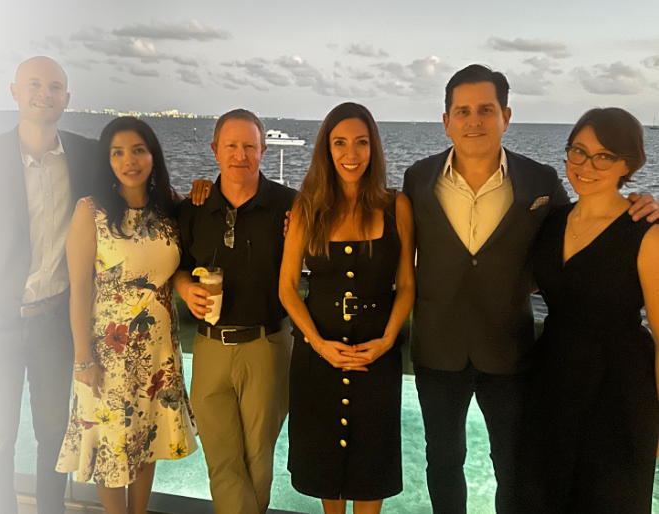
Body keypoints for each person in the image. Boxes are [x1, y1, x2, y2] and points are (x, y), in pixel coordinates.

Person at [400, 64, 659, 514]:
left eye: (486, 109)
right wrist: (305, 215)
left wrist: (641, 200)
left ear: (507, 115)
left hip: (513, 352)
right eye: (462, 111)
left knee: (516, 469)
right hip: (440, 348)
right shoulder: (418, 179)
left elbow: (592, 238)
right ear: (446, 121)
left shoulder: (542, 183)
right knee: (443, 461)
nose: (474, 120)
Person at [0, 56, 103, 514]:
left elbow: (136, 181)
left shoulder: (86, 156)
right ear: (14, 91)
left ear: (66, 100)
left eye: (55, 87)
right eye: (34, 84)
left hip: (55, 322)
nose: (44, 93)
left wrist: (190, 193)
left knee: (55, 436)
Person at [515, 107, 659, 513]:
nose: (586, 165)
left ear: (627, 164)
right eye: (578, 151)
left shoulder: (646, 233)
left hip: (619, 395)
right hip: (550, 384)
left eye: (603, 156)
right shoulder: (552, 220)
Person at [55, 116, 197, 514]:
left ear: (153, 155)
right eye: (117, 152)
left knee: (146, 440)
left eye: (138, 150)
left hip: (158, 352)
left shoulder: (170, 206)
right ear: (108, 160)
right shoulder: (91, 211)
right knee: (111, 448)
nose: (128, 160)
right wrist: (84, 357)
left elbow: (198, 237)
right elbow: (80, 289)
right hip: (108, 352)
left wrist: (205, 189)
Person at [278, 103, 415, 514]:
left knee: (372, 468)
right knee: (325, 471)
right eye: (340, 143)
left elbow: (407, 284)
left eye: (360, 143)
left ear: (373, 148)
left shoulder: (397, 206)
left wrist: (387, 340)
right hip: (318, 358)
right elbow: (286, 288)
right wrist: (319, 344)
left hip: (378, 358)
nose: (350, 154)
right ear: (326, 149)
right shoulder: (307, 207)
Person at [170, 108, 297, 514]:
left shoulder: (289, 206)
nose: (240, 155)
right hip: (209, 347)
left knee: (258, 460)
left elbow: (315, 256)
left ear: (263, 149)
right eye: (231, 145)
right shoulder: (195, 206)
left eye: (249, 146)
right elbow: (177, 266)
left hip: (268, 345)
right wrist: (186, 286)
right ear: (214, 149)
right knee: (222, 460)